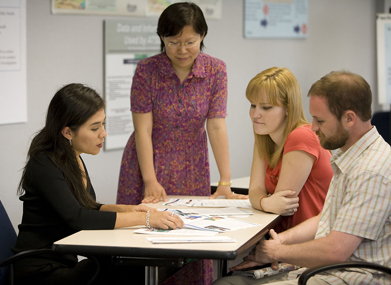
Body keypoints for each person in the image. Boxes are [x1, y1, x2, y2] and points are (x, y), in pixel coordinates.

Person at [213, 70, 391, 285]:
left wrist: (276, 251)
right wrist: (283, 241)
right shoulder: (352, 157)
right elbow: (326, 218)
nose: (313, 127)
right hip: (329, 268)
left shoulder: (369, 171)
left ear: (349, 119)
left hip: (349, 275)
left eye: (320, 120)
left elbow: (335, 250)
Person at [12, 83, 184, 285]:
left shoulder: (71, 156)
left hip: (64, 261)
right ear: (67, 132)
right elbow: (78, 217)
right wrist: (146, 219)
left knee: (132, 267)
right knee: (129, 272)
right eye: (95, 128)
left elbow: (86, 206)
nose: (103, 133)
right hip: (40, 271)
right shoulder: (45, 162)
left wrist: (130, 210)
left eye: (103, 124)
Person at [117, 2, 246, 206]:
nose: (182, 50)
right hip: (149, 160)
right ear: (162, 38)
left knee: (192, 224)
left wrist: (225, 181)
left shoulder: (215, 70)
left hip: (192, 163)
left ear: (202, 35)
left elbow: (216, 126)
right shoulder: (146, 71)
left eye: (190, 42)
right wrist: (149, 180)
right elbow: (143, 129)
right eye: (174, 43)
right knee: (141, 225)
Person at [246, 67, 332, 233]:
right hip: (284, 237)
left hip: (312, 242)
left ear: (287, 108)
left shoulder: (302, 136)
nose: (255, 114)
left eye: (266, 107)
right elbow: (254, 192)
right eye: (253, 105)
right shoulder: (263, 136)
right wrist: (265, 202)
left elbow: (281, 205)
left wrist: (263, 201)